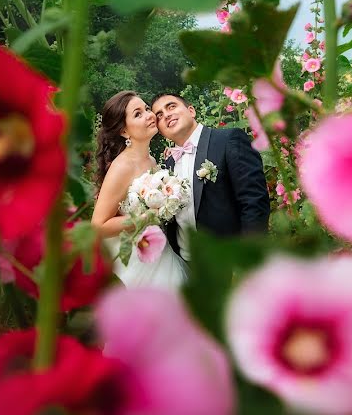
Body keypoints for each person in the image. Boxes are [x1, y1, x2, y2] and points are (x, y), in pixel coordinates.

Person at [151, 93, 270, 262]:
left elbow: (254, 201)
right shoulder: (167, 165)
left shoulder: (228, 140)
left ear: (191, 111)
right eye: (159, 115)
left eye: (171, 106)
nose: (166, 115)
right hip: (184, 262)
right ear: (161, 130)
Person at [92, 91, 188, 289]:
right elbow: (98, 226)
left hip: (159, 251)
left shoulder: (151, 160)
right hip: (135, 260)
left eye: (146, 109)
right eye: (138, 114)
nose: (149, 115)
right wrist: (146, 217)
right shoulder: (122, 167)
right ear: (124, 132)